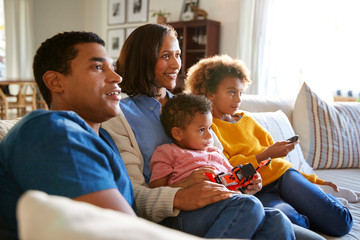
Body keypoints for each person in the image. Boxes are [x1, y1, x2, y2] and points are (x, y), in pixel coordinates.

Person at [102, 23, 326, 240]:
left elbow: (220, 161)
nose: (176, 64)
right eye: (166, 56)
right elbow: (131, 194)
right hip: (176, 213)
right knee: (252, 209)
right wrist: (180, 192)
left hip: (226, 201)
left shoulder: (190, 106)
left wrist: (246, 183)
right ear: (143, 59)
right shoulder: (118, 117)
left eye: (178, 55)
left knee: (279, 220)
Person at [185, 54, 353, 237]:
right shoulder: (207, 128)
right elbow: (227, 166)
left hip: (283, 176)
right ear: (210, 93)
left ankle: (324, 199)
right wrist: (266, 155)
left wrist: (316, 182)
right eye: (231, 92)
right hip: (257, 191)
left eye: (241, 92)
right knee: (296, 224)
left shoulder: (247, 120)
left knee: (341, 224)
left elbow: (277, 160)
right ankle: (309, 207)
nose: (238, 99)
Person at [0, 31, 136, 238]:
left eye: (113, 68)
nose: (117, 77)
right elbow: (124, 234)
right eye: (98, 67)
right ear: (55, 82)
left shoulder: (103, 138)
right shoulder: (53, 132)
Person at [149, 93, 263, 193]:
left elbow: (234, 180)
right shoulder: (167, 152)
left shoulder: (215, 152)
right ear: (178, 133)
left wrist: (250, 185)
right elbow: (155, 192)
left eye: (209, 128)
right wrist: (186, 183)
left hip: (231, 199)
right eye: (202, 130)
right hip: (198, 205)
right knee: (253, 206)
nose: (209, 136)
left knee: (274, 214)